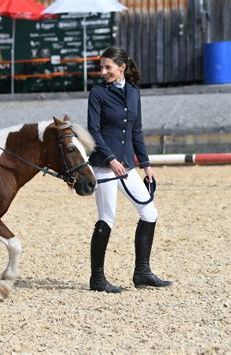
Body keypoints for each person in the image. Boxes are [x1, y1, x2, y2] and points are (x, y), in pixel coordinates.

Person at [87, 47, 172, 293]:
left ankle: (142, 272)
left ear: (121, 67)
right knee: (107, 218)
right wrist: (111, 158)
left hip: (127, 165)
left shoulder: (134, 93)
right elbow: (94, 130)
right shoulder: (98, 93)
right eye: (101, 68)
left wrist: (146, 164)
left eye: (108, 68)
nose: (103, 72)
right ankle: (97, 279)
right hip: (104, 165)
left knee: (149, 212)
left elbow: (136, 131)